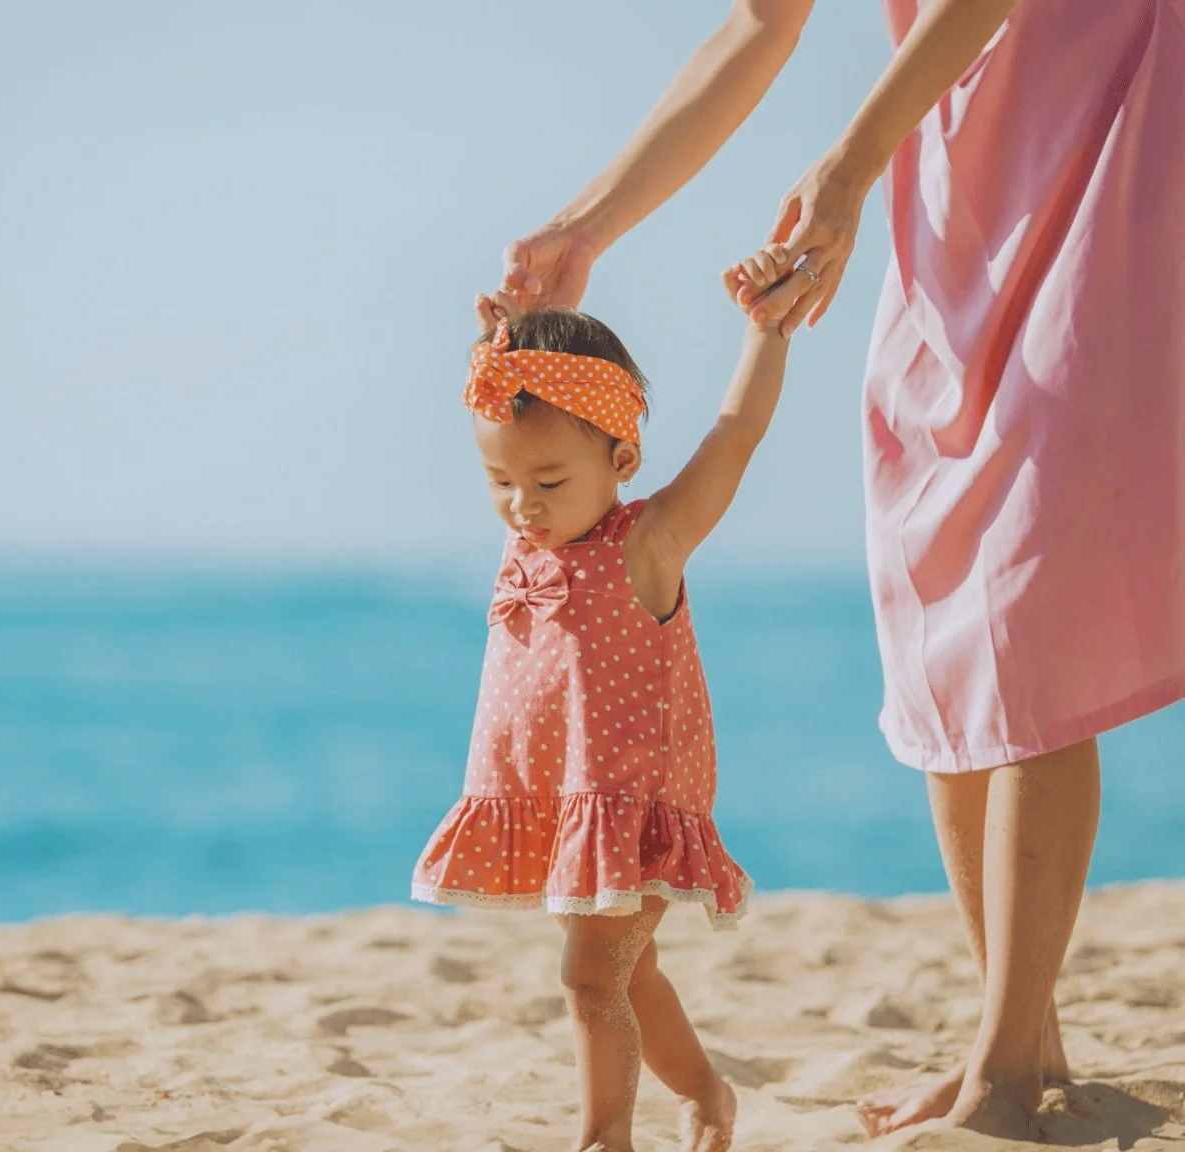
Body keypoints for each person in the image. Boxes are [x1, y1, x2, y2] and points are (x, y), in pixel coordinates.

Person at [496, 0, 1185, 1138]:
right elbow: (760, 25)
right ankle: (1020, 1037)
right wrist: (586, 228)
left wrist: (854, 161)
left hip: (1103, 153)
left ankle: (1007, 1063)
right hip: (958, 192)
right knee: (944, 612)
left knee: (1030, 609)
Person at [410, 257, 818, 1152]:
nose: (522, 506)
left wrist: (765, 331)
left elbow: (736, 436)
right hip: (562, 807)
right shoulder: (532, 537)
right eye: (500, 482)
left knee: (590, 977)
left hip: (629, 805)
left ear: (621, 459)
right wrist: (503, 336)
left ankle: (604, 1138)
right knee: (628, 976)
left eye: (549, 483)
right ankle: (707, 1094)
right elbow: (516, 408)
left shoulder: (650, 541)